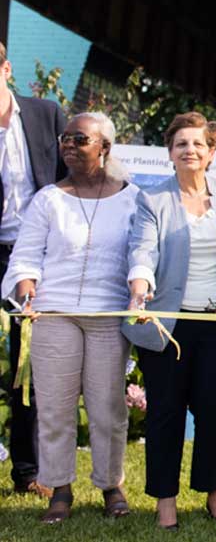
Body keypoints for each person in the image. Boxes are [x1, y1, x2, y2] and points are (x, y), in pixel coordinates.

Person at [124, 112, 216, 530]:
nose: (190, 150)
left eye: (198, 144)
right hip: (169, 326)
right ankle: (166, 500)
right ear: (170, 152)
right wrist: (138, 290)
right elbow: (142, 252)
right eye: (181, 143)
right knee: (166, 412)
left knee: (215, 412)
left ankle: (214, 493)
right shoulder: (152, 199)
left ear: (211, 152)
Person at [1, 112, 136, 522]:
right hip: (54, 313)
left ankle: (111, 484)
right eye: (65, 139)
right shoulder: (48, 199)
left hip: (108, 315)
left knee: (108, 406)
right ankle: (59, 488)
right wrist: (25, 288)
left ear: (104, 148)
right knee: (55, 408)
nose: (69, 146)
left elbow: (142, 255)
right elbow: (25, 257)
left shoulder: (133, 198)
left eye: (80, 139)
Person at [0, 41, 67, 498]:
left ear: (5, 68)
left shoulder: (47, 115)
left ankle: (28, 470)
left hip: (40, 259)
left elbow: (71, 177)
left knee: (30, 366)